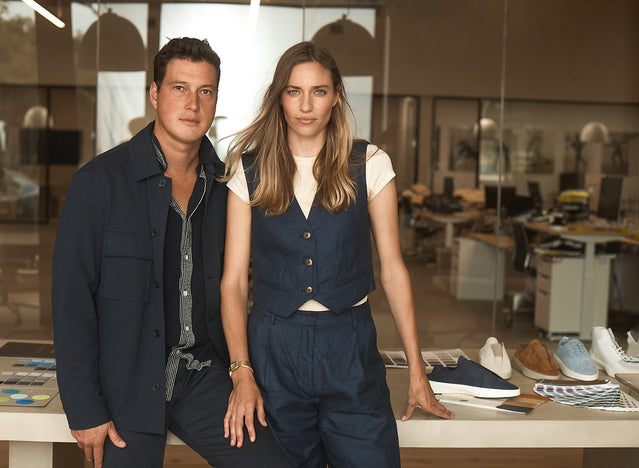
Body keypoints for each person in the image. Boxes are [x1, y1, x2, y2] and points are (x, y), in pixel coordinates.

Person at [52, 37, 289, 468]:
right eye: (179, 88)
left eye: (206, 91)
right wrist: (85, 409)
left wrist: (242, 372)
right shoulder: (98, 184)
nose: (193, 104)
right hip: (125, 384)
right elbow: (72, 305)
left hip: (202, 375)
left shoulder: (225, 188)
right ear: (155, 93)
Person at [220, 41, 454, 468]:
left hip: (349, 347)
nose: (306, 105)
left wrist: (417, 368)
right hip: (274, 347)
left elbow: (394, 271)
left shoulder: (371, 163)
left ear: (337, 96)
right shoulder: (247, 170)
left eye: (319, 91)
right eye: (294, 91)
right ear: (279, 97)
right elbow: (234, 281)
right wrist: (242, 372)